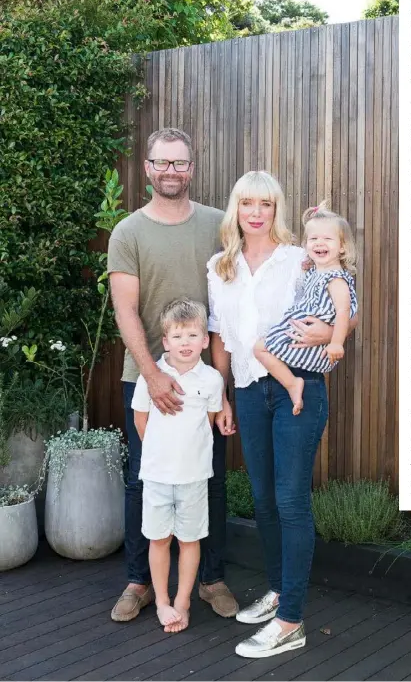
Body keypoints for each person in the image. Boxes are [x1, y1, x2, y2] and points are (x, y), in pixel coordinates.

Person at [207, 171, 357, 659]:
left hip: (298, 388)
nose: (256, 212)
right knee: (264, 499)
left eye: (266, 204)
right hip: (250, 392)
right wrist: (222, 394)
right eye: (247, 203)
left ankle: (291, 620)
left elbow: (343, 300)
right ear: (236, 209)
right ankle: (277, 590)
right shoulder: (220, 267)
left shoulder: (299, 258)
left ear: (276, 210)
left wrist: (332, 335)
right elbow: (220, 336)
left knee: (291, 501)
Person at [108, 127, 238, 623]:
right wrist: (153, 374)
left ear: (191, 168)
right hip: (144, 378)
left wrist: (221, 388)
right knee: (144, 481)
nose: (170, 171)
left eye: (179, 163)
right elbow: (125, 310)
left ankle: (212, 579)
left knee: (210, 478)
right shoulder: (129, 232)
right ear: (147, 168)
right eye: (161, 163)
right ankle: (139, 582)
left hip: (204, 382)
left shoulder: (216, 225)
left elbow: (224, 310)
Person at [132, 298, 224, 633]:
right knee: (159, 540)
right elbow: (141, 418)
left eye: (192, 335)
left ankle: (183, 601)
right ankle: (161, 601)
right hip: (157, 475)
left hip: (195, 476)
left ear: (204, 340)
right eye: (178, 336)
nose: (185, 343)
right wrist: (160, 452)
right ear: (166, 341)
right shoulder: (151, 377)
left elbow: (209, 420)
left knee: (189, 540)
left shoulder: (213, 379)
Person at [254, 201, 357, 416]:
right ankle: (291, 383)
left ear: (342, 246)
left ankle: (292, 384)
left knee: (260, 348)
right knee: (260, 348)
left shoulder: (336, 279)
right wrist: (308, 268)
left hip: (312, 344)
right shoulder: (318, 271)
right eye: (313, 239)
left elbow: (343, 312)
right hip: (303, 333)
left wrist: (337, 343)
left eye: (327, 239)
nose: (319, 243)